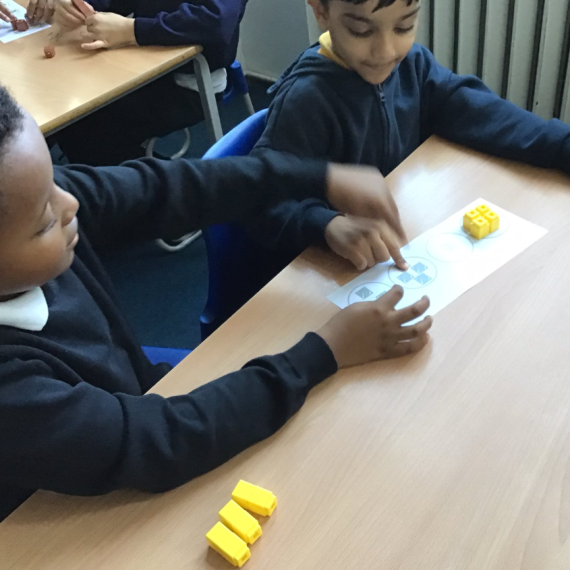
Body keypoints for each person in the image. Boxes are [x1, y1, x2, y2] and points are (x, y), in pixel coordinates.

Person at [0, 84, 433, 521]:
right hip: (52, 512)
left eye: (56, 180)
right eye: (44, 222)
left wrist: (317, 177)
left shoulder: (38, 207)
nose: (71, 203)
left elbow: (168, 188)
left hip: (126, 402)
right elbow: (155, 441)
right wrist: (326, 351)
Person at [250, 0, 570, 271]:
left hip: (394, 245)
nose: (386, 51)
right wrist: (325, 224)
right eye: (361, 30)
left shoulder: (413, 65)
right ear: (321, 10)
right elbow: (261, 201)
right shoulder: (306, 100)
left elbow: (475, 109)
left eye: (404, 27)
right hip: (321, 272)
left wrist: (560, 145)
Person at [26, 0, 250, 165]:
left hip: (186, 86)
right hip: (140, 65)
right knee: (52, 98)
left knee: (78, 123)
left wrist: (131, 30)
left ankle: (152, 182)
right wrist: (77, 5)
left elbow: (216, 22)